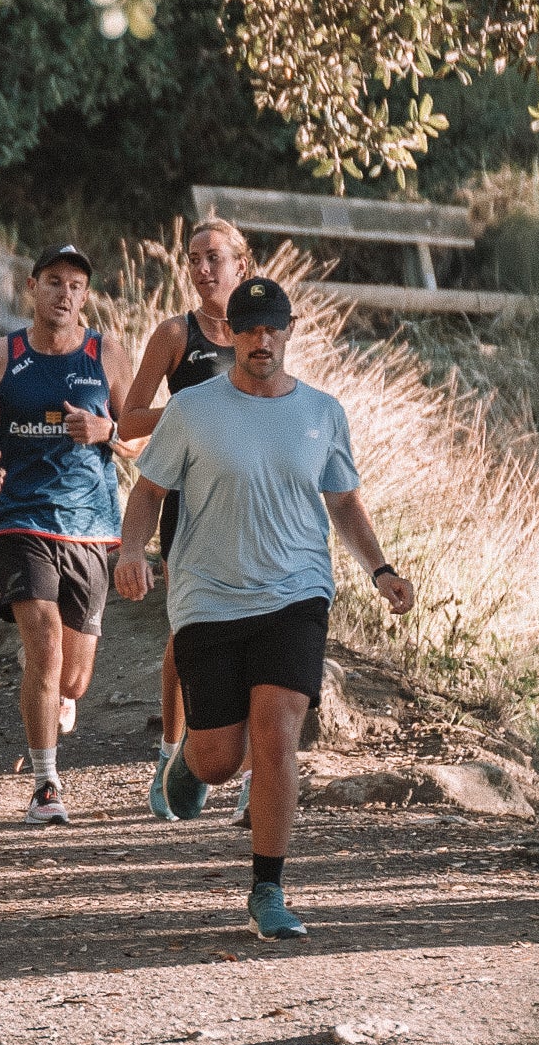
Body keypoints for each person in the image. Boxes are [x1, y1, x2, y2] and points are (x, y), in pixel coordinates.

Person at [114, 275, 415, 938]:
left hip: (295, 593)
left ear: (288, 330)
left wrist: (381, 569)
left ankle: (268, 889)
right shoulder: (194, 409)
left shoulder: (322, 412)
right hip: (209, 598)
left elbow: (342, 501)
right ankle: (191, 763)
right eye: (247, 329)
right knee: (223, 756)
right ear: (233, 335)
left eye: (271, 327)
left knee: (277, 733)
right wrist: (133, 551)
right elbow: (149, 489)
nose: (260, 339)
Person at [0, 243, 131, 826]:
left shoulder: (108, 354)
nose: (65, 294)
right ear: (33, 287)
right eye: (54, 281)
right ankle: (46, 783)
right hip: (20, 517)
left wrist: (105, 430)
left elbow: (142, 437)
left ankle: (58, 699)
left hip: (92, 527)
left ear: (85, 296)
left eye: (76, 285)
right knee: (44, 642)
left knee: (73, 676)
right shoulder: (0, 356)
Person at [120, 217, 251, 820]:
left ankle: (253, 771)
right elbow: (128, 420)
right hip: (188, 501)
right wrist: (188, 408)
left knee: (257, 628)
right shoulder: (176, 333)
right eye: (193, 259)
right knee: (187, 632)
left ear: (240, 265)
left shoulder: (260, 328)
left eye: (213, 258)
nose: (201, 269)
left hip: (251, 504)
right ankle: (171, 755)